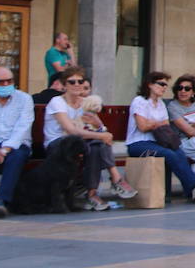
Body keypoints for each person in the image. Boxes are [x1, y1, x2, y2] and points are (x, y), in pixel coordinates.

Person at [41, 67, 133, 209]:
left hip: (80, 143)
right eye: (72, 82)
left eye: (80, 81)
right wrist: (102, 134)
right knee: (97, 141)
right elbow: (70, 130)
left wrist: (99, 127)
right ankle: (116, 179)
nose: (77, 84)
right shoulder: (57, 102)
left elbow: (100, 128)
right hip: (58, 144)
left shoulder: (86, 102)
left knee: (97, 147)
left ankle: (92, 193)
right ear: (64, 85)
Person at [127, 71, 195, 203]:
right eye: (161, 84)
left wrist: (153, 123)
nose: (164, 87)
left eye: (165, 85)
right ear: (150, 84)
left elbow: (164, 125)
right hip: (138, 144)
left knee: (178, 152)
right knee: (169, 154)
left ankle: (192, 190)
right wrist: (157, 124)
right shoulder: (140, 101)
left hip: (156, 142)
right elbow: (142, 126)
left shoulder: (161, 104)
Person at [0, 66, 33, 218]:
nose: (6, 84)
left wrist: (5, 149)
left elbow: (23, 127)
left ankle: (0, 201)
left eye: (10, 81)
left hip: (15, 144)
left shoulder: (24, 99)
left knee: (17, 156)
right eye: (1, 82)